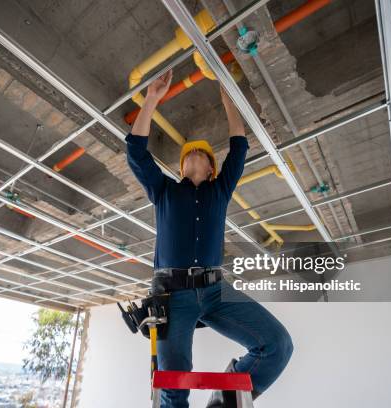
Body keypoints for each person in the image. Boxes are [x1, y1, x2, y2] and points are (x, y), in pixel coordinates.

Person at [126, 70, 293, 408]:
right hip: (173, 296)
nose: (195, 152)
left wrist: (228, 100)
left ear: (212, 168)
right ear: (183, 165)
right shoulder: (165, 191)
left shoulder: (220, 190)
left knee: (278, 345)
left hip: (217, 291)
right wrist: (152, 100)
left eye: (201, 152)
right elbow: (136, 152)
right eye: (189, 152)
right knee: (174, 384)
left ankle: (224, 403)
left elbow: (240, 147)